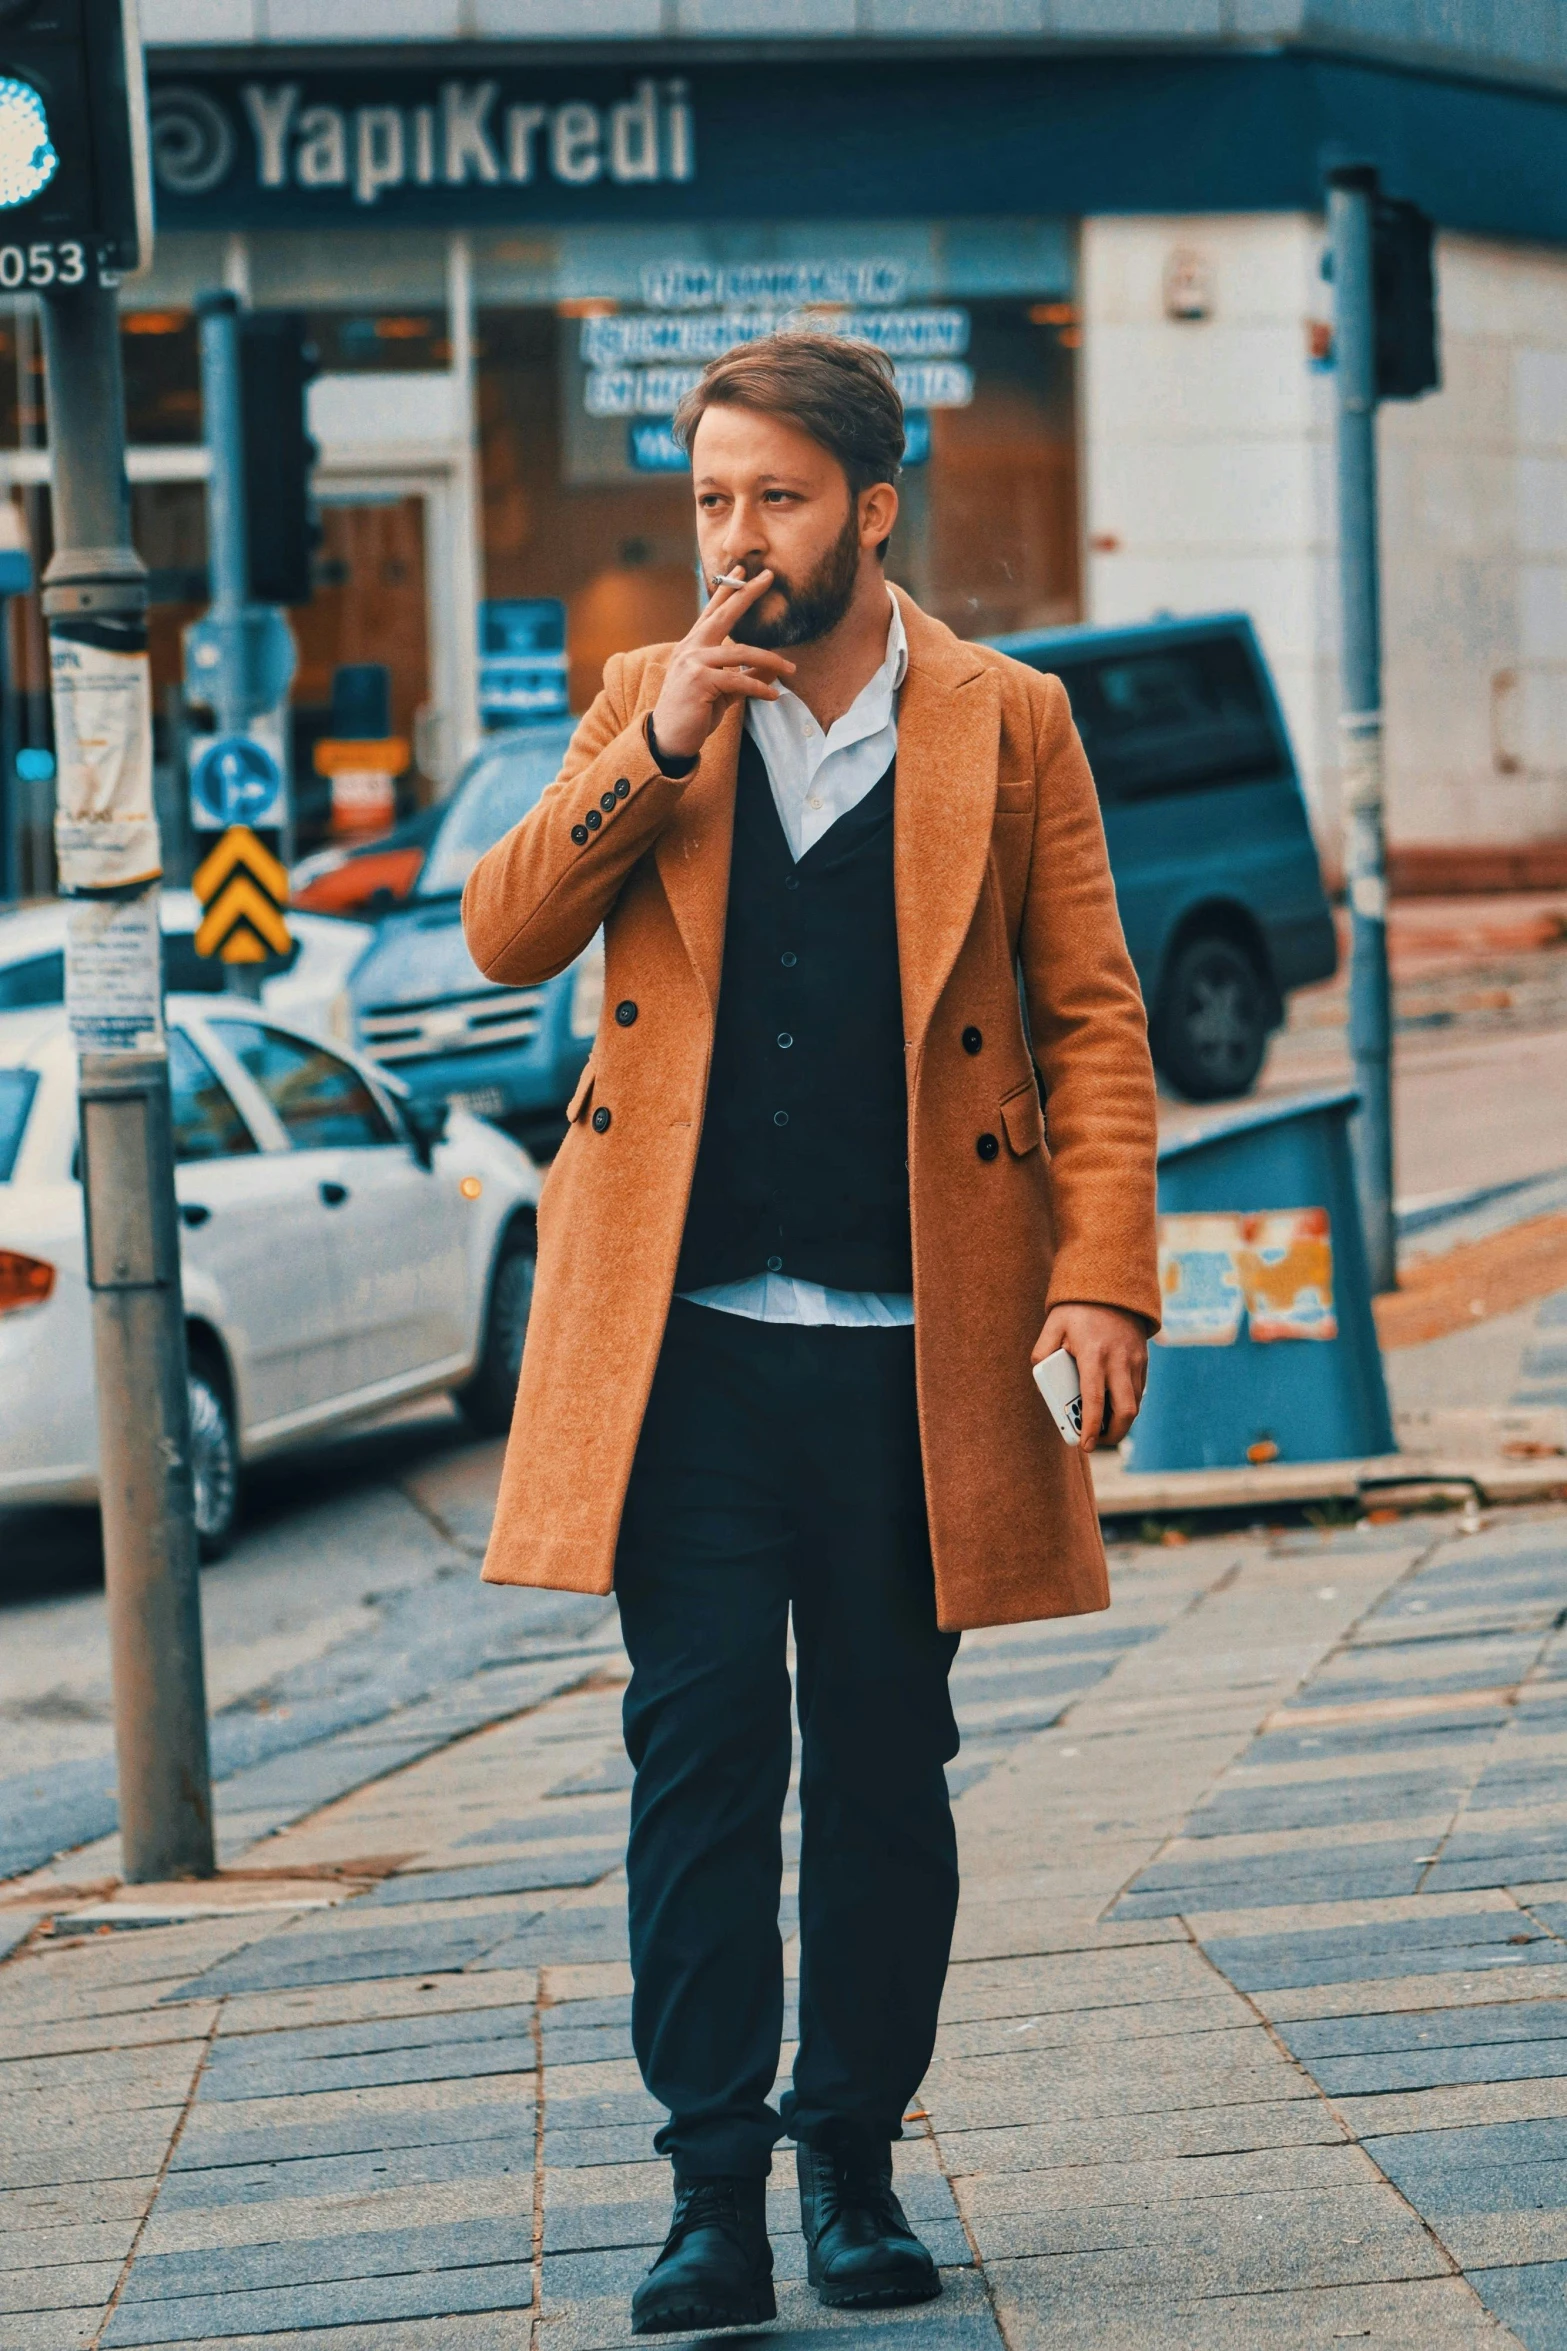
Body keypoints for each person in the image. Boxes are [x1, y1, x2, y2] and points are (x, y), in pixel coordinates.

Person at [462, 332, 1159, 2334]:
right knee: (694, 1762)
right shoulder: (640, 702)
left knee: (880, 1764)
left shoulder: (1008, 720)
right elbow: (504, 929)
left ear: (873, 501)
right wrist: (667, 732)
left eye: (774, 496)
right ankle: (712, 2195)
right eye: (708, 502)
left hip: (905, 1348)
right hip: (678, 1353)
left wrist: (1102, 1272)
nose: (737, 540)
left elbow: (1094, 1014)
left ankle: (849, 2156)